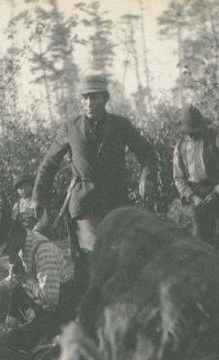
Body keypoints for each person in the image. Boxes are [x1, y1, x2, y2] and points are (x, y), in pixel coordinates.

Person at [32, 74, 157, 287]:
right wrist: (37, 197)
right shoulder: (70, 127)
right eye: (85, 98)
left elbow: (147, 153)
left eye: (95, 98)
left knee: (120, 255)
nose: (89, 103)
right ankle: (89, 304)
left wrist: (146, 177)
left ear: (105, 99)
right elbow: (48, 164)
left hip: (116, 200)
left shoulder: (121, 125)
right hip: (84, 201)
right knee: (94, 254)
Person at [0, 212, 75, 350]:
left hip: (60, 307)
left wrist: (24, 277)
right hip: (40, 300)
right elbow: (14, 279)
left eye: (5, 250)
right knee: (14, 296)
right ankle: (24, 327)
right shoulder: (22, 246)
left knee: (16, 341)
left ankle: (43, 334)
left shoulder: (43, 252)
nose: (5, 254)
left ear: (14, 239)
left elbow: (50, 299)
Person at [172, 104, 219, 256]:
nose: (193, 135)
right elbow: (178, 177)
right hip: (197, 195)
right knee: (201, 241)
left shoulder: (217, 137)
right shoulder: (180, 146)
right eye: (189, 132)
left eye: (196, 131)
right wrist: (193, 197)